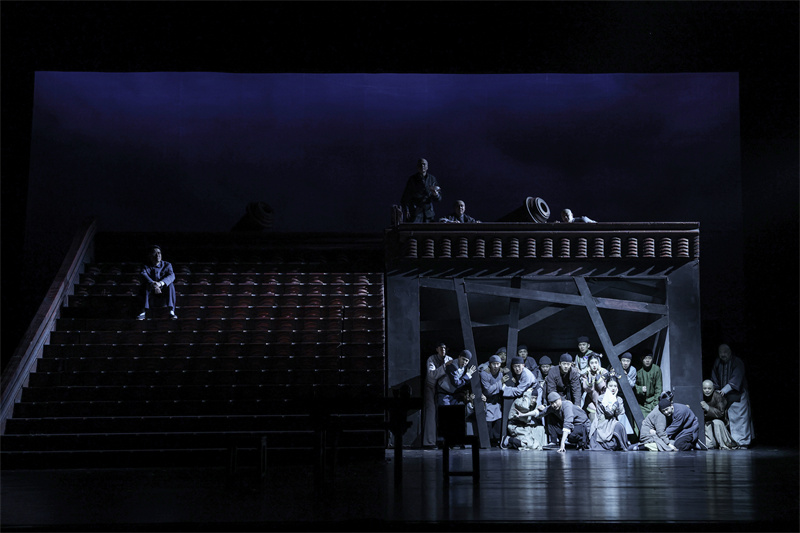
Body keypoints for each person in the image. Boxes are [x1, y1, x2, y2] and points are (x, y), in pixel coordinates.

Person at [711, 343, 754, 448]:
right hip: (724, 396)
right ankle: (731, 442)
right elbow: (714, 378)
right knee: (727, 419)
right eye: (720, 352)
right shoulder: (717, 362)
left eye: (725, 352)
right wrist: (716, 391)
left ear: (730, 352)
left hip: (738, 395)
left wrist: (724, 390)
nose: (723, 355)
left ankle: (742, 442)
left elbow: (736, 379)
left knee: (740, 419)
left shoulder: (737, 362)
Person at [588, 376, 631, 451]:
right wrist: (615, 404)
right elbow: (609, 413)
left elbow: (621, 412)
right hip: (602, 424)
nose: (613, 388)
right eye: (610, 386)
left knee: (619, 426)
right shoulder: (602, 398)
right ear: (607, 386)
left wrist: (616, 400)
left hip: (612, 422)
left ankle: (623, 445)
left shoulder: (618, 399)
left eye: (615, 386)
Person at [423, 342, 451, 449]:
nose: (443, 350)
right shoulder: (431, 359)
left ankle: (445, 441)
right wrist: (444, 367)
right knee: (431, 412)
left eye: (444, 348)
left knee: (445, 412)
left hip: (444, 388)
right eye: (440, 348)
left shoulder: (449, 359)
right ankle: (429, 442)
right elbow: (432, 375)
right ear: (437, 349)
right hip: (431, 387)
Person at [138, 245, 177, 320]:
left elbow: (172, 276)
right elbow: (143, 274)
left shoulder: (167, 264)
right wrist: (153, 284)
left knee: (170, 285)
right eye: (155, 253)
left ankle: (171, 311)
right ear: (150, 255)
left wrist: (160, 283)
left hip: (163, 289)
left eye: (159, 253)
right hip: (151, 289)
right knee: (144, 285)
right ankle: (143, 312)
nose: (158, 255)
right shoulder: (145, 266)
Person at [505, 385, 547, 450]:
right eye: (532, 398)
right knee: (529, 444)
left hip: (525, 426)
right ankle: (508, 440)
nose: (534, 400)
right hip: (515, 427)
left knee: (540, 430)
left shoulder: (534, 404)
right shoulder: (519, 401)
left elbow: (538, 414)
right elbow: (525, 408)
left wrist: (543, 408)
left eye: (535, 398)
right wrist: (527, 394)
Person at [400, 158, 441, 223]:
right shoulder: (412, 179)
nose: (422, 166)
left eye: (424, 164)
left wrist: (436, 195)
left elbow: (439, 198)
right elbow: (406, 196)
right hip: (415, 211)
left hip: (428, 213)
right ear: (417, 167)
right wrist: (406, 210)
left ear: (427, 167)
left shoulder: (432, 179)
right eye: (420, 164)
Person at [480, 355, 508, 446]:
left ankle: (497, 441)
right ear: (490, 364)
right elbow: (488, 390)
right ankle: (488, 441)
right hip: (488, 400)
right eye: (493, 364)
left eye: (498, 364)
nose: (496, 366)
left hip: (497, 401)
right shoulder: (485, 374)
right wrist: (500, 382)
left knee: (498, 421)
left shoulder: (501, 372)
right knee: (488, 421)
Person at [701, 379, 735, 450]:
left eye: (709, 388)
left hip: (718, 422)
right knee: (709, 445)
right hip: (706, 423)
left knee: (717, 423)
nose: (707, 390)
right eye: (705, 388)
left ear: (713, 389)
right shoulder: (700, 396)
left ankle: (723, 444)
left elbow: (721, 413)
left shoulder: (718, 396)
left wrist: (708, 408)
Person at [580, 355, 609, 420]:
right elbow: (587, 389)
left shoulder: (604, 372)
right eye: (592, 363)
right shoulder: (586, 374)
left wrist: (598, 378)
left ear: (598, 363)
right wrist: (589, 378)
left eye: (596, 362)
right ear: (589, 364)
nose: (594, 365)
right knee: (593, 422)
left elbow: (603, 389)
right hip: (591, 403)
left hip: (603, 402)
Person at [635, 353, 663, 417]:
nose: (647, 360)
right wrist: (640, 389)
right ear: (641, 359)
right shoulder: (638, 370)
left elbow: (658, 389)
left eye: (649, 358)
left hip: (652, 402)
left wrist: (655, 405)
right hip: (641, 403)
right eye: (645, 358)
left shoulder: (656, 369)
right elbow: (632, 385)